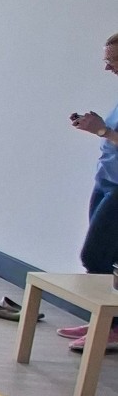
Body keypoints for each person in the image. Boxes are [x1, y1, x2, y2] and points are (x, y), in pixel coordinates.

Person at [68, 31, 118, 341]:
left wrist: (101, 130)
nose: (107, 67)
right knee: (109, 258)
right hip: (106, 181)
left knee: (94, 256)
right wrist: (96, 126)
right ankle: (104, 323)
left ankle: (110, 328)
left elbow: (110, 135)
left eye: (113, 60)